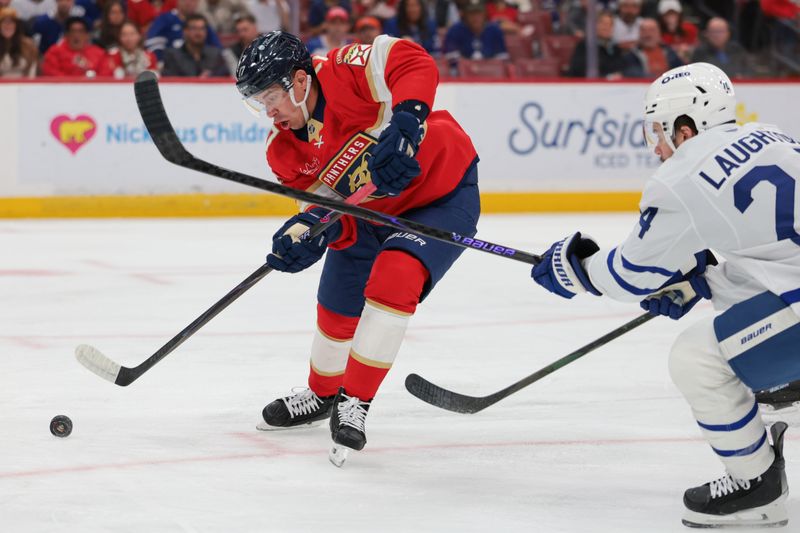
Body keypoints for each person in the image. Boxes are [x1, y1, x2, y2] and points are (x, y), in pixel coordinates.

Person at [530, 62, 797, 528]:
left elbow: (629, 275)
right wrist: (702, 281)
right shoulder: (772, 136)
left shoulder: (682, 174)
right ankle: (787, 381)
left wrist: (576, 268)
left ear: (685, 128)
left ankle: (756, 486)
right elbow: (777, 259)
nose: (656, 146)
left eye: (659, 131)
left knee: (696, 358)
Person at [235, 31, 479, 462]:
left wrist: (406, 124)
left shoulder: (343, 71)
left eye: (271, 96)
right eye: (259, 102)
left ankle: (355, 402)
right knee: (336, 300)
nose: (269, 111)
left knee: (396, 275)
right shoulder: (282, 150)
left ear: (299, 80)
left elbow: (412, 61)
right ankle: (322, 394)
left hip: (439, 196)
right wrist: (308, 233)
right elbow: (328, 212)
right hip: (368, 216)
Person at [145, 0, 222, 60]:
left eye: (193, 0)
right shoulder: (165, 19)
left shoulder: (201, 21)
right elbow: (152, 43)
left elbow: (217, 47)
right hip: (171, 65)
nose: (189, 3)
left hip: (199, 64)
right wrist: (161, 60)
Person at [162, 13, 228, 76]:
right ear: (185, 31)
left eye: (202, 28)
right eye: (194, 28)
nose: (198, 32)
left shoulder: (215, 55)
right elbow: (171, 80)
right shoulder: (173, 56)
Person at [41, 15, 110, 75]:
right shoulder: (54, 52)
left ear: (87, 35)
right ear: (66, 35)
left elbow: (106, 74)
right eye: (72, 31)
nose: (76, 35)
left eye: (81, 31)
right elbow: (50, 72)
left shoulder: (99, 53)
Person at [566, 10, 624, 78]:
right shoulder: (584, 46)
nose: (606, 27)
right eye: (603, 24)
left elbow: (620, 70)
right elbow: (579, 70)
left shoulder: (616, 49)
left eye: (610, 24)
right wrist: (606, 77)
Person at [443, 0, 507, 60]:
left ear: (485, 14)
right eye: (471, 14)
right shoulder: (455, 30)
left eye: (479, 13)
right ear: (465, 15)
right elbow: (450, 58)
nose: (475, 17)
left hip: (490, 67)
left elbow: (502, 57)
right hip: (463, 67)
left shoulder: (494, 30)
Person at [0, 8, 37, 77]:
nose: (7, 25)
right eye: (4, 22)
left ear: (16, 25)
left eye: (11, 22)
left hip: (24, 82)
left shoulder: (28, 45)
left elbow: (32, 68)